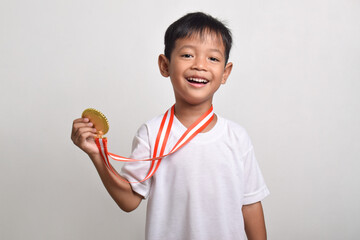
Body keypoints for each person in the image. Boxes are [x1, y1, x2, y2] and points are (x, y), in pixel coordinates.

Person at [71, 12, 269, 240]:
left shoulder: (237, 137)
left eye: (213, 58)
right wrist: (97, 156)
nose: (200, 66)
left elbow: (251, 204)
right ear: (165, 65)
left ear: (225, 73)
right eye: (187, 54)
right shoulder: (152, 133)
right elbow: (129, 201)